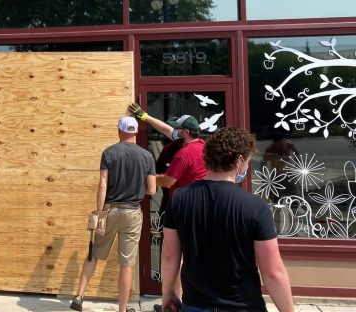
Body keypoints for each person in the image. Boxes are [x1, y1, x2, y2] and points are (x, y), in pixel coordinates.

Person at [161, 127, 294, 312]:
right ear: (239, 161)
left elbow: (170, 256)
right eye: (247, 161)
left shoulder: (179, 198)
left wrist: (167, 295)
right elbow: (272, 272)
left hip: (195, 304)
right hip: (242, 306)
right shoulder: (254, 206)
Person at [70, 116, 156, 312]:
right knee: (126, 264)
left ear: (119, 131)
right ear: (135, 132)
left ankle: (79, 296)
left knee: (94, 254)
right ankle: (123, 309)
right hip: (132, 213)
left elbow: (102, 184)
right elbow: (151, 190)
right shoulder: (147, 156)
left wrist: (99, 213)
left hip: (109, 210)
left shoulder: (109, 153)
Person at [128, 103, 207, 310]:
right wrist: (144, 117)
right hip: (201, 207)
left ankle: (176, 302)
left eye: (178, 130)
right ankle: (180, 300)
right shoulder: (203, 147)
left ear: (186, 132)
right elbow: (166, 129)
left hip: (183, 208)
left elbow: (169, 181)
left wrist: (146, 179)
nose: (174, 132)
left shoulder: (184, 153)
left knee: (175, 256)